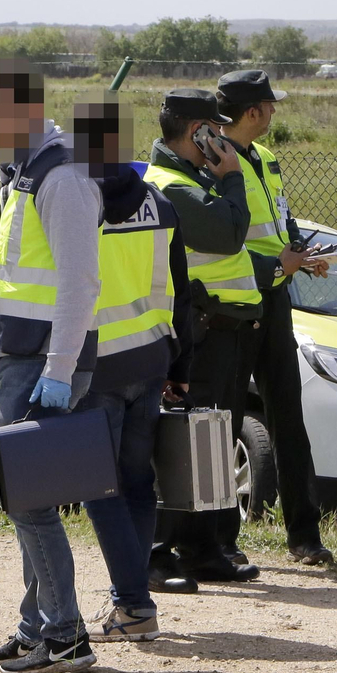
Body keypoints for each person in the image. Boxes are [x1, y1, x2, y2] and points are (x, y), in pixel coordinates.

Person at [0, 59, 103, 673]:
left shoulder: (62, 176)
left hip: (43, 364)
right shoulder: (24, 173)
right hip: (21, 357)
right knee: (24, 498)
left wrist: (59, 370)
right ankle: (36, 627)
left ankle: (66, 637)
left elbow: (79, 283)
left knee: (31, 501)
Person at [72, 93, 194, 640]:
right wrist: (180, 363)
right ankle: (132, 598)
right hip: (150, 358)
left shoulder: (80, 204)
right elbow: (181, 291)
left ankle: (135, 605)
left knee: (100, 489)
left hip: (98, 364)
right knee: (138, 483)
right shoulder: (159, 203)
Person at [143, 88, 263, 588]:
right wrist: (232, 174)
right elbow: (228, 234)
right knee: (180, 447)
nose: (224, 138)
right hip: (198, 334)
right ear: (199, 132)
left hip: (220, 333)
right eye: (216, 129)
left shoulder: (193, 178)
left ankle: (200, 549)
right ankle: (156, 552)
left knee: (210, 447)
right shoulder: (171, 185)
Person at [214, 69, 334, 566]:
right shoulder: (214, 160)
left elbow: (281, 218)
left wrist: (302, 253)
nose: (273, 112)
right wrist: (275, 265)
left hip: (275, 299)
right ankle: (221, 539)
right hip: (236, 303)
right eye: (269, 105)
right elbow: (218, 239)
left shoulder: (264, 157)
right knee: (224, 421)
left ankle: (304, 536)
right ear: (252, 111)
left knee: (288, 417)